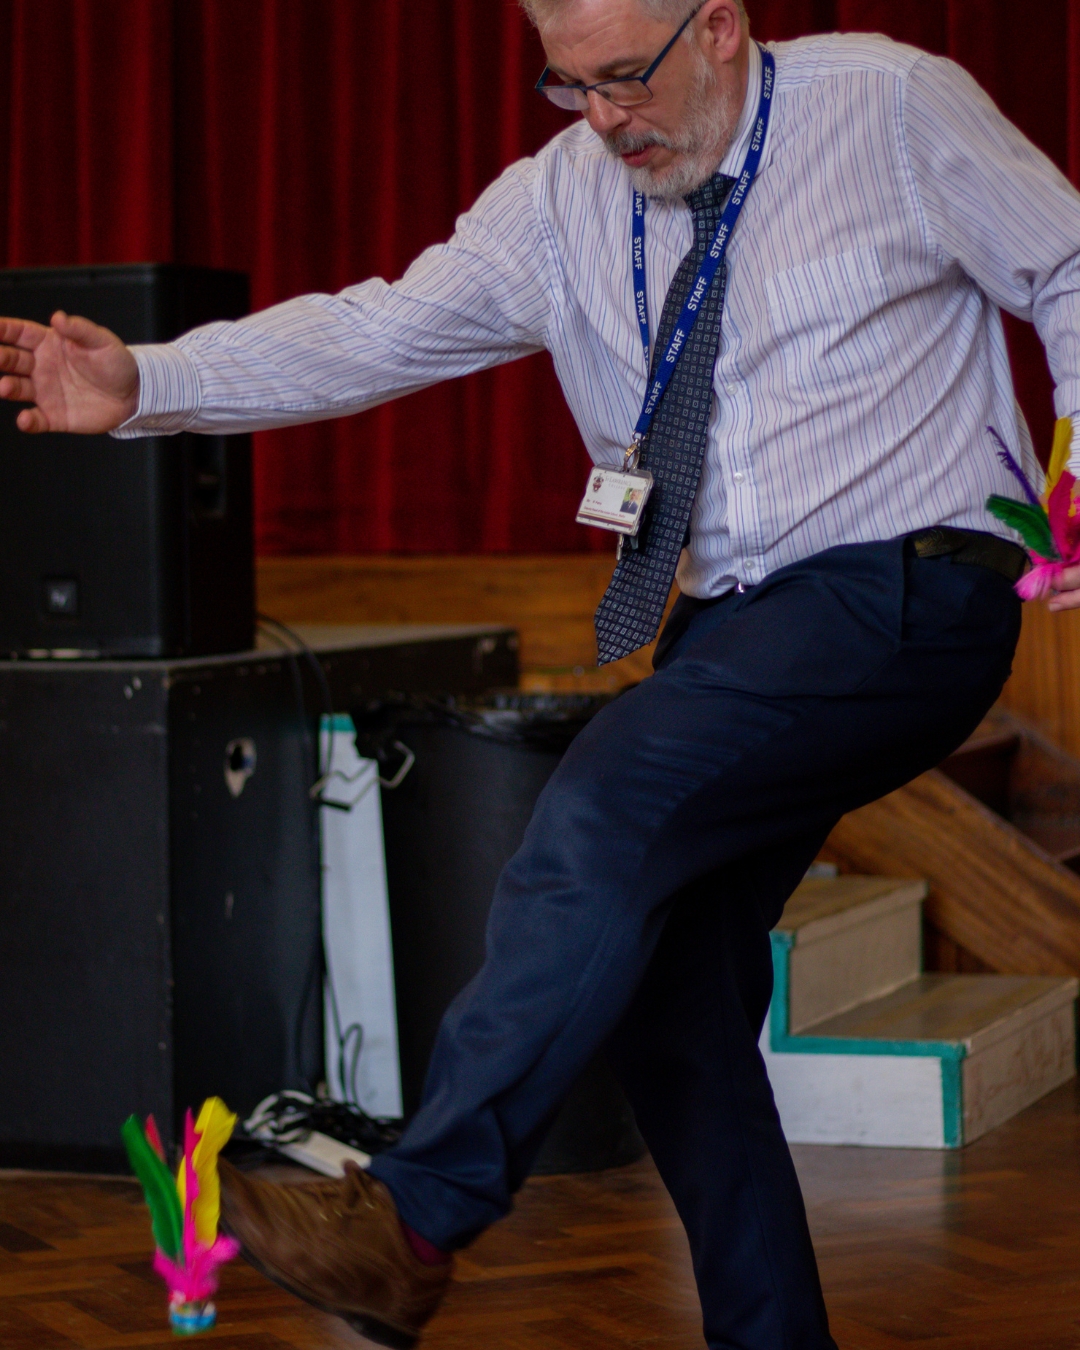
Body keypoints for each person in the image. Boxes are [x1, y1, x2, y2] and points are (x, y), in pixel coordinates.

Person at [5, 1, 1080, 1345]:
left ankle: (414, 1218)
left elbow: (1065, 259)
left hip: (913, 580)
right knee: (674, 1000)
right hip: (735, 622)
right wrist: (151, 382)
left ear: (721, 27)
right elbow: (374, 331)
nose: (606, 119)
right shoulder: (558, 202)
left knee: (603, 794)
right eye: (568, 86)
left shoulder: (890, 106)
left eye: (627, 77)